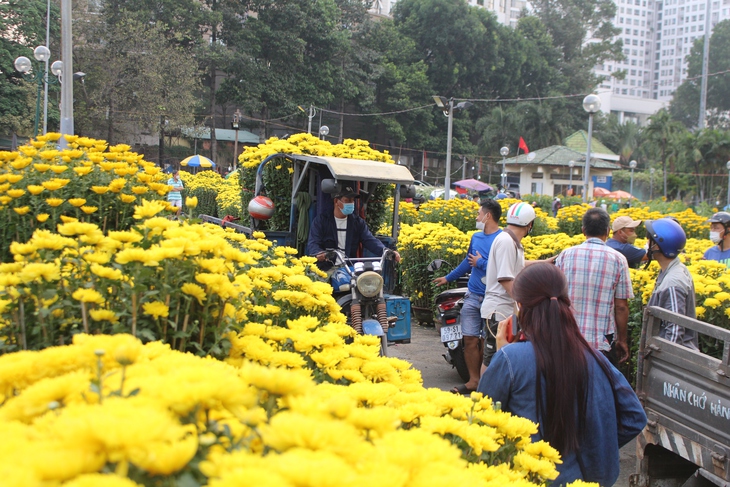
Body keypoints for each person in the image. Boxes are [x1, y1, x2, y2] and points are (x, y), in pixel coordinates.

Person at [477, 263, 647, 486]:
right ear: (566, 302)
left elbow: (482, 419)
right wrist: (595, 447)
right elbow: (635, 418)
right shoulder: (595, 357)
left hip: (531, 478)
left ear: (520, 306)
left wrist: (502, 353)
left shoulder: (511, 359)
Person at [433, 199, 502, 394]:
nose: (477, 217)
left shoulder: (502, 239)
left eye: (479, 214)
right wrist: (448, 278)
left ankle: (487, 383)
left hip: (492, 297)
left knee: (488, 341)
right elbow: (467, 262)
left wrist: (481, 263)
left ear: (488, 216)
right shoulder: (476, 237)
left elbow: (504, 268)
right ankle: (473, 381)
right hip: (473, 296)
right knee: (469, 339)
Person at [555, 208, 633, 365]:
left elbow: (555, 297)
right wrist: (622, 340)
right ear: (608, 231)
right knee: (600, 387)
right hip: (602, 342)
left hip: (568, 338)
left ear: (583, 230)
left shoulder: (565, 255)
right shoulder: (618, 259)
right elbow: (621, 307)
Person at [480, 202, 539, 372]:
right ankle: (485, 396)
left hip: (503, 310)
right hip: (499, 311)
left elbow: (518, 265)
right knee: (493, 358)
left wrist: (544, 263)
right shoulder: (506, 242)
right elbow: (505, 279)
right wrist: (526, 304)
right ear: (529, 225)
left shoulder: (510, 241)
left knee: (497, 357)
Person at [307, 185, 400, 272]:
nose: (351, 203)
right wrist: (319, 253)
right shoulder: (321, 221)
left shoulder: (357, 222)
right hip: (326, 268)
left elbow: (370, 240)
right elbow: (314, 242)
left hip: (349, 268)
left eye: (352, 201)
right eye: (347, 200)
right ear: (336, 202)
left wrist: (386, 251)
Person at [645, 219, 699, 350]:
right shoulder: (672, 270)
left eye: (649, 240)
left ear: (657, 245)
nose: (646, 244)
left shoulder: (673, 282)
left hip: (671, 363)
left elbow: (675, 330)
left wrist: (664, 363)